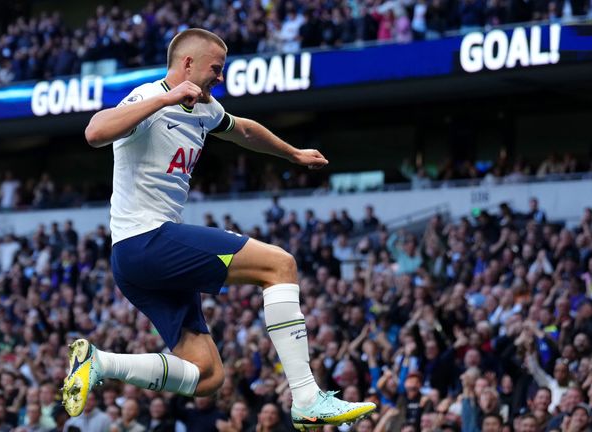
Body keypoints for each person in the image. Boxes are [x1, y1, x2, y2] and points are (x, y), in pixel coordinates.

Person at [62, 28, 376, 430]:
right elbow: (94, 132)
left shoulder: (204, 108)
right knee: (279, 265)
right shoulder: (148, 97)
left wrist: (293, 154)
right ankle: (307, 398)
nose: (220, 78)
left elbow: (243, 129)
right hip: (146, 241)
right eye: (216, 68)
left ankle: (100, 362)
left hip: (140, 261)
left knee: (207, 376)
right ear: (187, 64)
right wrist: (165, 98)